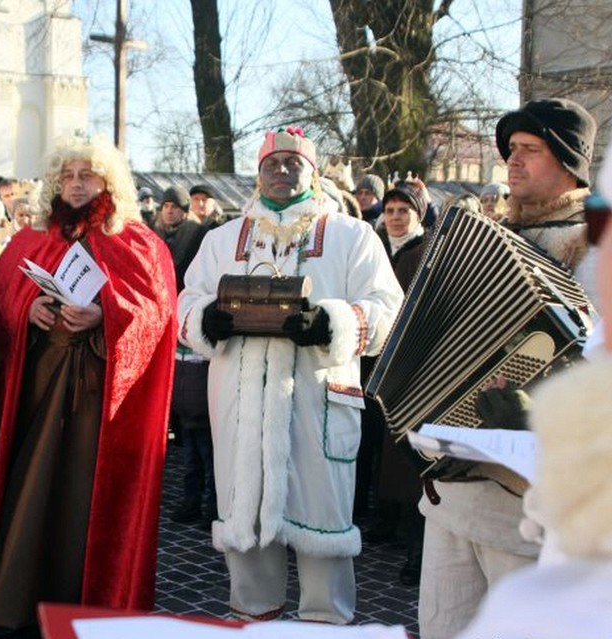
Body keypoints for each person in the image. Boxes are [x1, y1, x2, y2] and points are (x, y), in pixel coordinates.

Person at [178, 127, 403, 624]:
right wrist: (203, 319)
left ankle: (327, 628)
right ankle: (253, 625)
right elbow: (187, 301)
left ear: (313, 171)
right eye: (271, 163)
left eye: (292, 162)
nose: (281, 171)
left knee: (324, 540)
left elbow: (388, 309)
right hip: (241, 411)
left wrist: (332, 322)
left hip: (317, 409)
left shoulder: (352, 234)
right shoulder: (221, 239)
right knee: (247, 539)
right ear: (257, 173)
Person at [0, 135, 177, 636]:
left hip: (100, 399)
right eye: (67, 175)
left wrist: (105, 314)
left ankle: (89, 606)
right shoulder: (33, 238)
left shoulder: (137, 241)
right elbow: (0, 293)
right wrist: (28, 308)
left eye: (86, 175)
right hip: (40, 388)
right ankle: (23, 603)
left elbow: (158, 314)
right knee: (34, 491)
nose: (75, 184)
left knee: (85, 501)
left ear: (107, 181)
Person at [417, 98, 597, 639]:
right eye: (510, 151)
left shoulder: (596, 248)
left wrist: (540, 413)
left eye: (529, 150)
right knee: (441, 627)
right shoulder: (482, 238)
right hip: (450, 490)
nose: (512, 162)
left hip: (531, 504)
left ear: (567, 161)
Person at [365, 182, 431, 586]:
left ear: (417, 215)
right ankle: (384, 515)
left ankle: (410, 527)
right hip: (372, 359)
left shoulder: (424, 251)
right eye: (389, 210)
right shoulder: (375, 247)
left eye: (403, 210)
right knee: (374, 441)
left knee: (403, 446)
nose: (394, 217)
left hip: (408, 361)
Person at [152, 185, 214, 527]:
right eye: (166, 206)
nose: (170, 211)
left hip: (199, 350)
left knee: (207, 449)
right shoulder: (156, 236)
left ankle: (211, 505)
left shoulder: (199, 236)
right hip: (177, 342)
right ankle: (194, 501)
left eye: (176, 206)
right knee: (191, 449)